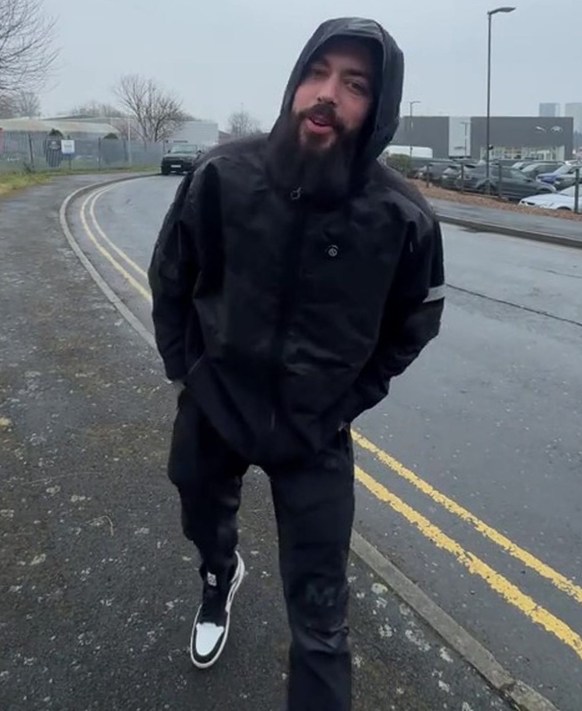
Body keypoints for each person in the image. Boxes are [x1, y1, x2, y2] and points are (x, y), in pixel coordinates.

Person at [148, 16, 445, 711]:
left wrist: (342, 401)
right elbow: (171, 278)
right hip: (216, 404)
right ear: (295, 80)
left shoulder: (403, 219)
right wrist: (188, 372)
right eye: (317, 72)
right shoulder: (222, 174)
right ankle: (220, 575)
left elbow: (414, 325)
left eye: (354, 84)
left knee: (322, 621)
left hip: (315, 430)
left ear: (378, 107)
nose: (326, 94)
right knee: (198, 505)